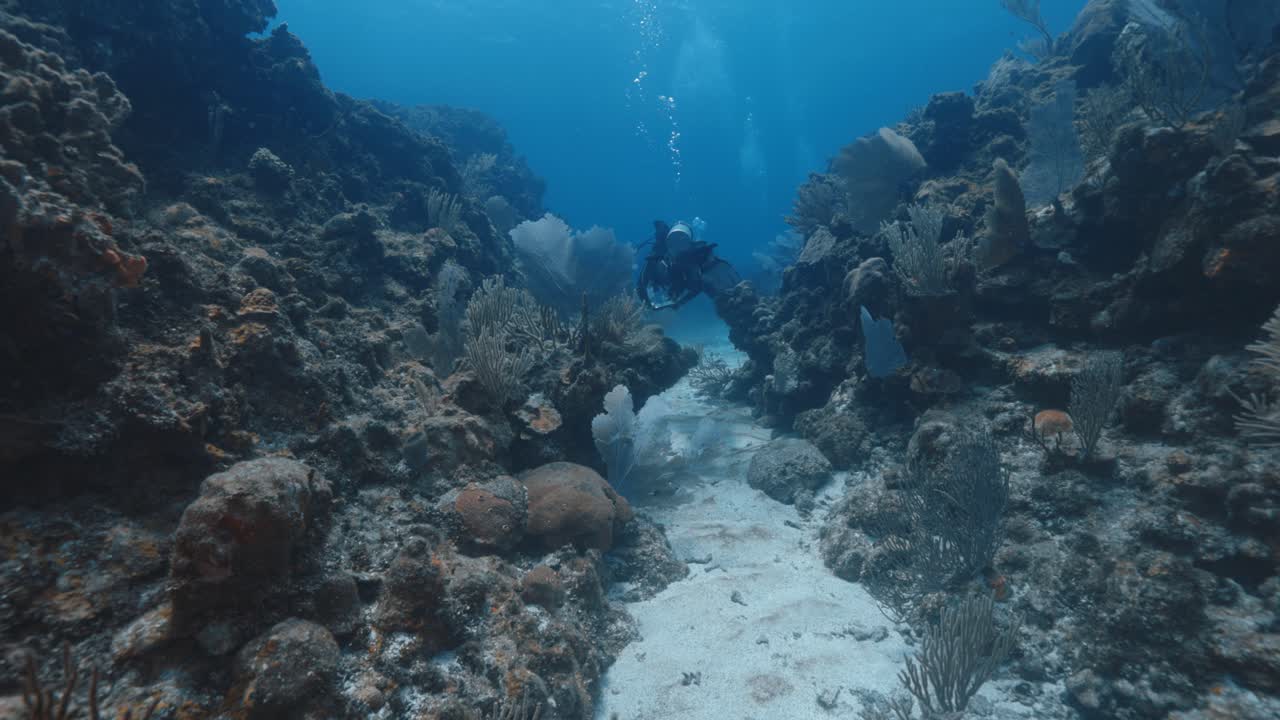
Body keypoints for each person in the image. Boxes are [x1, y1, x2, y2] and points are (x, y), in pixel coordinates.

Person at [637, 220, 740, 310]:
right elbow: (642, 283)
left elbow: (698, 286)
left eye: (682, 243)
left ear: (690, 245)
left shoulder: (696, 260)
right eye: (673, 243)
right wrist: (651, 306)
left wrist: (679, 303)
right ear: (667, 244)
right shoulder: (657, 259)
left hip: (682, 285)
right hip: (669, 284)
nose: (677, 249)